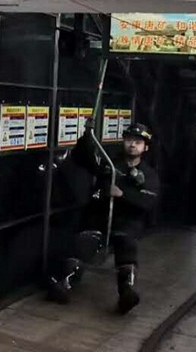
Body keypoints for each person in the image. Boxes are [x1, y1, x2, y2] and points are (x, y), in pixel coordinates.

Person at [48, 122, 159, 314]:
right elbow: (85, 157)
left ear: (145, 147)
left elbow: (147, 202)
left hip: (126, 221)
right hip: (100, 216)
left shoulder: (149, 175)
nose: (132, 145)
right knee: (84, 241)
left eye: (138, 142)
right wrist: (87, 135)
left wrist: (123, 195)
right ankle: (65, 283)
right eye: (130, 140)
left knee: (126, 244)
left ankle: (126, 291)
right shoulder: (109, 163)